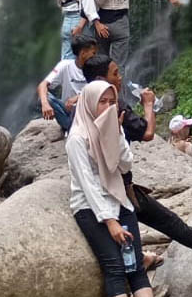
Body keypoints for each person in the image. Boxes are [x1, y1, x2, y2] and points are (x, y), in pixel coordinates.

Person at [81, 57, 192, 271]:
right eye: (115, 73)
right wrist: (148, 105)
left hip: (113, 187)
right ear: (101, 79)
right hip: (116, 190)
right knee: (169, 224)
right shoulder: (115, 107)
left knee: (165, 224)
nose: (120, 78)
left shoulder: (82, 106)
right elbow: (147, 134)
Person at [66, 80, 153, 297]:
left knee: (136, 268)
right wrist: (110, 221)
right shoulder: (77, 138)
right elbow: (87, 183)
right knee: (115, 268)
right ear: (88, 104)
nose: (107, 107)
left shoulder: (112, 129)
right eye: (102, 102)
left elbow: (124, 165)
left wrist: (117, 134)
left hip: (119, 200)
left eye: (112, 102)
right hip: (90, 207)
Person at [37, 34, 97, 134]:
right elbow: (43, 85)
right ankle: (74, 128)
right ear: (83, 53)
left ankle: (74, 129)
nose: (95, 56)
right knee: (45, 96)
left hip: (88, 113)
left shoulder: (96, 67)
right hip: (68, 112)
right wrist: (45, 104)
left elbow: (99, 90)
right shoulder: (65, 65)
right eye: (93, 53)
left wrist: (78, 97)